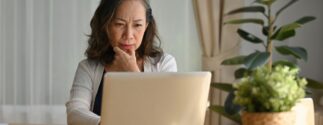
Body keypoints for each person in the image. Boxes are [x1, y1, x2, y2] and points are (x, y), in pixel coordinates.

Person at [65, 0, 177, 124]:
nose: (128, 35)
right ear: (106, 26)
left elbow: (165, 116)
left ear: (146, 26)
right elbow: (74, 113)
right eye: (119, 24)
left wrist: (133, 72)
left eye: (137, 25)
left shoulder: (164, 64)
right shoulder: (88, 68)